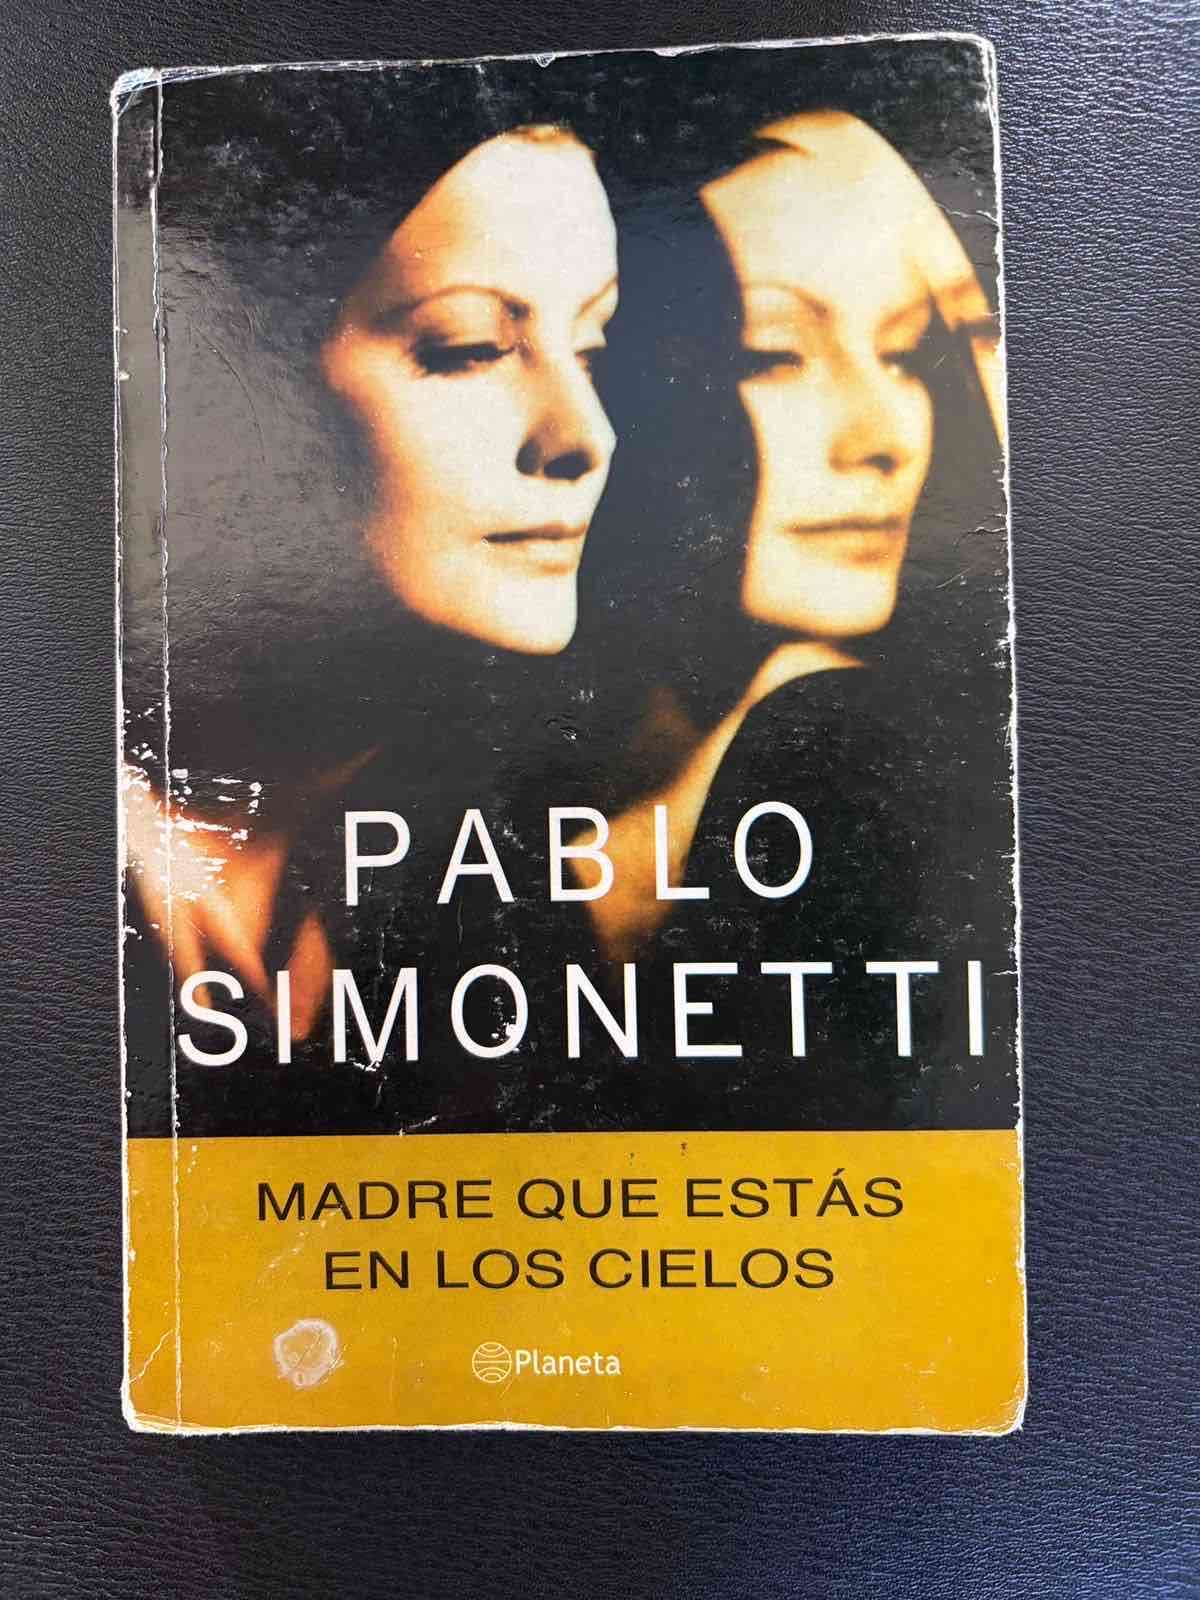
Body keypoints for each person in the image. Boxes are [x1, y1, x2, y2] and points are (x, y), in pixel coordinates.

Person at [122, 73, 619, 1131]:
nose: (585, 435)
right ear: (241, 379)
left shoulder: (498, 879)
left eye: (592, 347)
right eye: (467, 348)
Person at [573, 110, 1014, 1129]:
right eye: (773, 354)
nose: (881, 436)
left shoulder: (852, 754)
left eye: (906, 354)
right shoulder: (430, 813)